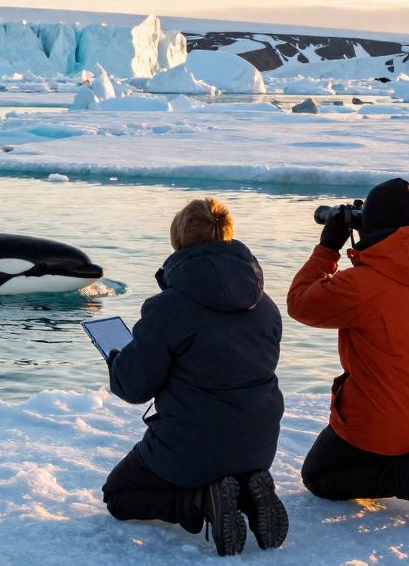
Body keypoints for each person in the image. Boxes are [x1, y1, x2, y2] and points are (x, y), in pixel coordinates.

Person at [103, 198, 287, 557]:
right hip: (258, 445)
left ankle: (201, 502)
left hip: (190, 448)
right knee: (228, 456)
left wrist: (117, 360)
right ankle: (249, 494)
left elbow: (133, 387)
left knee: (119, 495)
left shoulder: (167, 308)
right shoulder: (265, 306)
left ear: (179, 240)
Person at [287, 178, 409, 520]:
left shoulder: (361, 285)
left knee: (319, 476)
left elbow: (299, 304)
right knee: (393, 413)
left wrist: (328, 248)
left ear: (371, 225)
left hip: (381, 422)